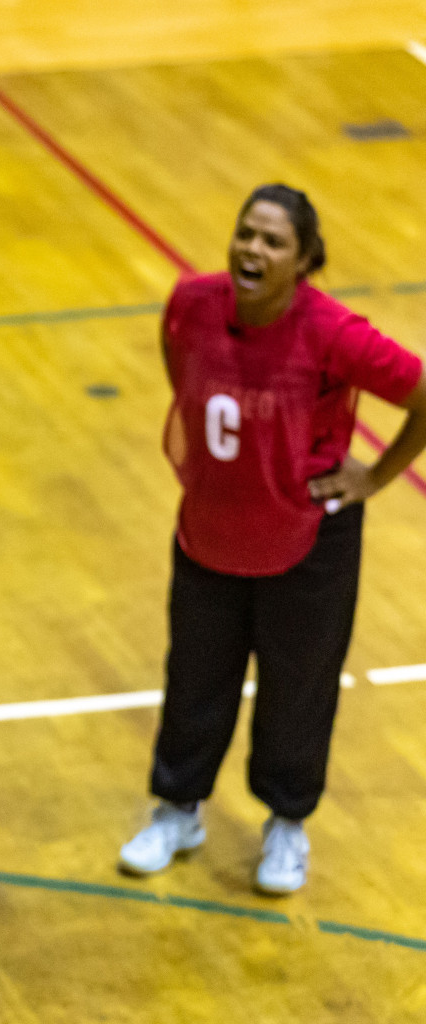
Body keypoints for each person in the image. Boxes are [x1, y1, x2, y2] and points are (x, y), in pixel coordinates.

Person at [118, 183, 426, 895]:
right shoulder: (191, 303)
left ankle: (287, 824)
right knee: (195, 676)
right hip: (210, 531)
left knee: (298, 688)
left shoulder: (335, 334)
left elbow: (419, 392)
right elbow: (183, 375)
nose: (252, 249)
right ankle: (177, 810)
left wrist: (376, 476)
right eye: (245, 234)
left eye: (273, 241)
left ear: (304, 260)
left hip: (309, 541)